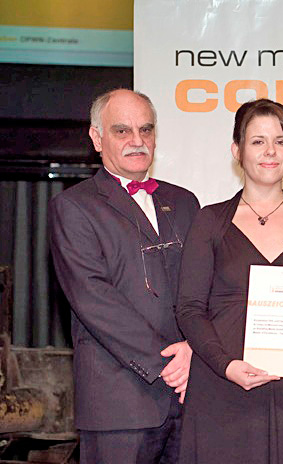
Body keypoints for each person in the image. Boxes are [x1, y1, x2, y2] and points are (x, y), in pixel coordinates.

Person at [175, 98, 283, 463]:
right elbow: (189, 310)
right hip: (222, 388)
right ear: (237, 150)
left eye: (280, 141)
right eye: (258, 141)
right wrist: (226, 365)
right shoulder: (209, 221)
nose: (270, 151)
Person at [49, 89, 200, 463]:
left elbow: (204, 286)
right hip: (118, 404)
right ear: (97, 138)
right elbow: (93, 298)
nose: (137, 140)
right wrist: (168, 363)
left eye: (146, 129)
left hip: (191, 396)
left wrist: (196, 349)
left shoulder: (185, 202)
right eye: (122, 131)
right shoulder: (73, 206)